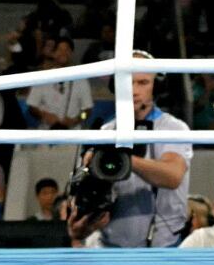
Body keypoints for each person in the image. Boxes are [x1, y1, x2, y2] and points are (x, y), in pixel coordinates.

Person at [69, 56, 192, 248]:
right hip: (110, 249)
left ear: (156, 86)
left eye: (143, 82)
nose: (134, 90)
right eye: (127, 82)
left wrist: (123, 160)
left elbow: (173, 176)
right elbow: (78, 226)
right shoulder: (105, 132)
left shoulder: (173, 128)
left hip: (160, 251)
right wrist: (84, 223)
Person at [24, 36, 94, 129]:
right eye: (59, 50)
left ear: (71, 53)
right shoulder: (43, 78)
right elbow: (32, 109)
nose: (63, 53)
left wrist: (76, 119)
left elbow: (87, 112)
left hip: (72, 136)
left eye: (67, 50)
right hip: (46, 133)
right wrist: (44, 116)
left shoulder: (81, 80)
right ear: (53, 53)